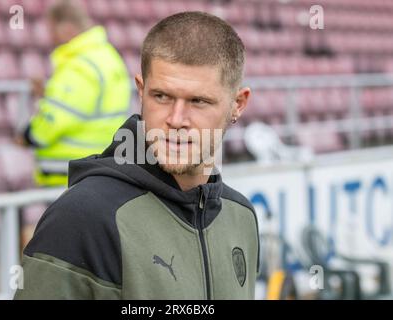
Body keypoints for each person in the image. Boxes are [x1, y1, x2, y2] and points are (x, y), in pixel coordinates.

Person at [15, 11, 259, 300]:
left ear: (238, 104)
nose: (176, 119)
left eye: (198, 101)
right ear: (141, 91)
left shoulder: (241, 216)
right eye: (162, 96)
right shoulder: (80, 218)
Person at [21, 0, 131, 187]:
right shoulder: (108, 55)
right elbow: (89, 106)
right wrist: (46, 94)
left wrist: (27, 135)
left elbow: (54, 122)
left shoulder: (79, 65)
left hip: (70, 172)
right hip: (101, 164)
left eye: (51, 30)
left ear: (66, 29)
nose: (50, 37)